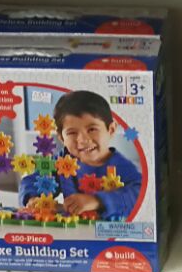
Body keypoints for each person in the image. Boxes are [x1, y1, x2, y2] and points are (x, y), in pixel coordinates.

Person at [51, 89, 143, 219]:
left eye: (92, 129)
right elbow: (37, 178)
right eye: (72, 133)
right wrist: (32, 197)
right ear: (61, 137)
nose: (82, 140)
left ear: (111, 130)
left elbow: (139, 193)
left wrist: (97, 201)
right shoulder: (63, 161)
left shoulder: (122, 166)